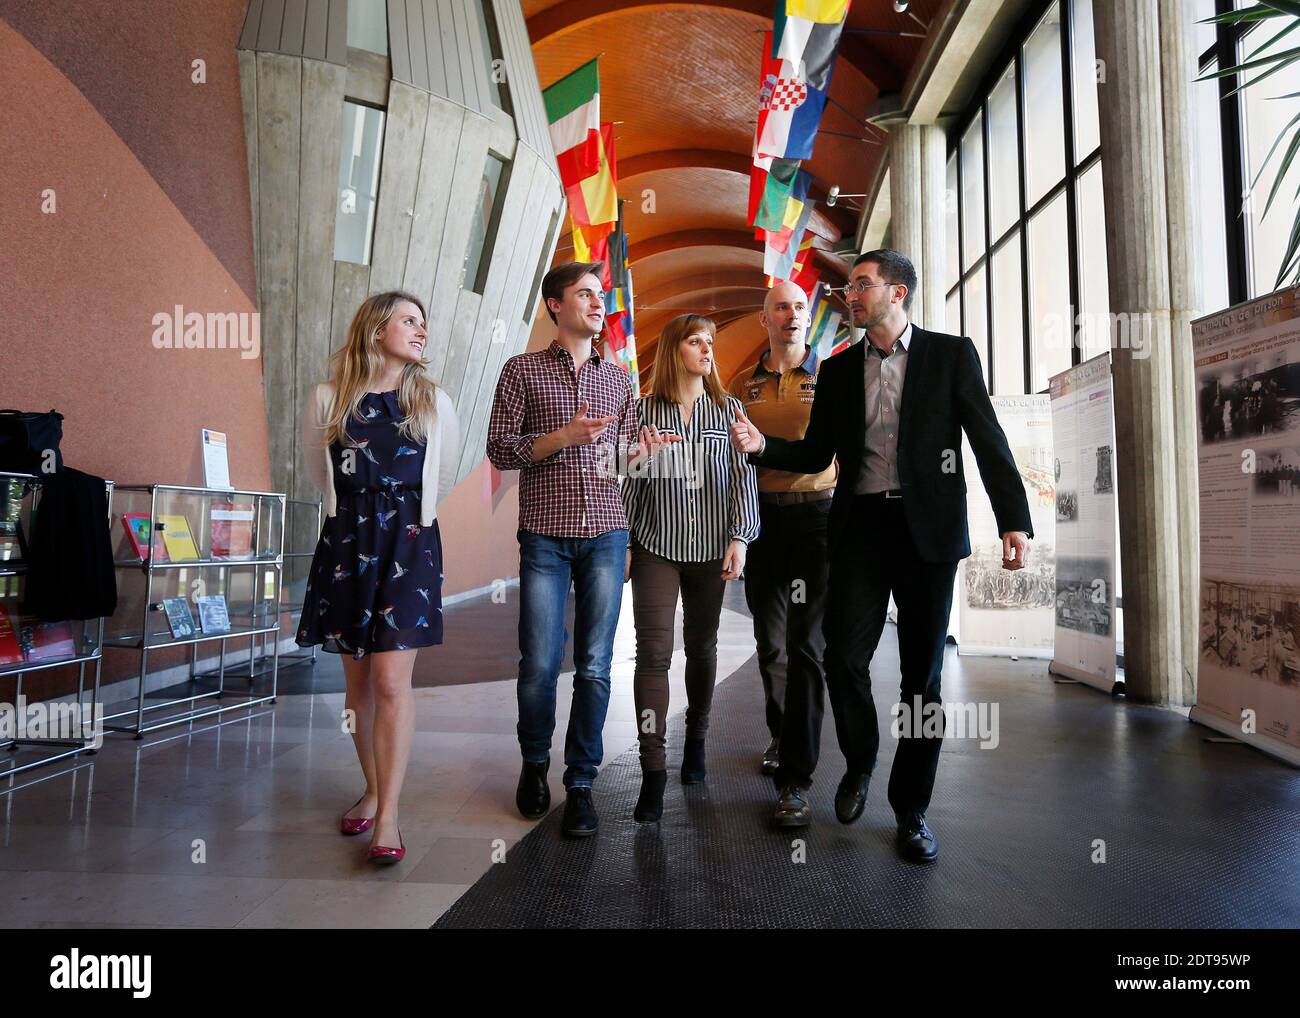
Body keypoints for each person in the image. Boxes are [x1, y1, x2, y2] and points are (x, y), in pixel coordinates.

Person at [730, 249, 1033, 863]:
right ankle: (860, 763)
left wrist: (1014, 520)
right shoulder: (840, 371)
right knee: (842, 657)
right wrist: (763, 447)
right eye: (850, 287)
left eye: (862, 285)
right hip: (861, 529)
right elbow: (816, 455)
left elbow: (987, 439)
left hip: (927, 537)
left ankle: (911, 809)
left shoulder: (950, 356)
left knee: (922, 680)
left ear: (897, 293)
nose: (850, 295)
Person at [486, 261, 662, 838]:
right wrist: (562, 436)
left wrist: (645, 452)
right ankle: (535, 765)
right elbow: (501, 449)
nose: (597, 302)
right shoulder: (521, 371)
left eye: (599, 295)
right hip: (544, 532)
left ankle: (580, 782)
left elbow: (621, 462)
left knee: (594, 664)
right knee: (539, 662)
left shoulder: (619, 381)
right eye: (585, 294)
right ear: (555, 306)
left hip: (607, 534)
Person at [297, 291, 461, 865]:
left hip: (410, 543)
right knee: (359, 684)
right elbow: (323, 477)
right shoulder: (328, 399)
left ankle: (388, 815)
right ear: (375, 329)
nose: (421, 331)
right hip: (348, 542)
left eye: (424, 323)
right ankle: (370, 788)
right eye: (409, 321)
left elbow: (442, 473)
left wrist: (404, 524)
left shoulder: (433, 402)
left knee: (392, 681)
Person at [622, 313, 760, 822]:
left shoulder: (729, 409)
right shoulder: (643, 411)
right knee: (652, 655)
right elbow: (629, 481)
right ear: (673, 351)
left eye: (711, 342)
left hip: (709, 552)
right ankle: (653, 770)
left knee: (702, 648)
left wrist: (740, 538)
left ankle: (697, 738)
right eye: (696, 341)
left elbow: (744, 481)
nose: (707, 350)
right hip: (655, 545)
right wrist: (627, 545)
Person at [727, 281, 838, 827]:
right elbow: (726, 463)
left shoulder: (832, 376)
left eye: (800, 307)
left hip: (818, 518)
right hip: (761, 521)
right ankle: (781, 733)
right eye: (781, 307)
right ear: (763, 319)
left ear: (809, 316)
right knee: (771, 644)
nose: (792, 314)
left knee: (807, 647)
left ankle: (796, 778)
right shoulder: (741, 387)